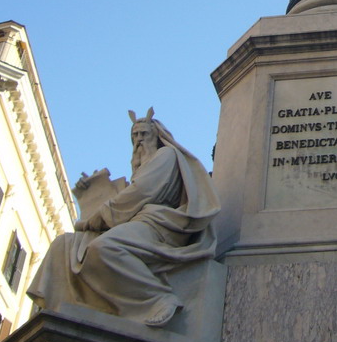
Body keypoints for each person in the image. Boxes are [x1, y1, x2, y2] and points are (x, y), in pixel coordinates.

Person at [28, 109, 219, 327]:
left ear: (157, 135)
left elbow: (141, 193)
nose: (138, 140)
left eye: (144, 134)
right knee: (63, 244)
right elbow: (128, 198)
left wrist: (96, 218)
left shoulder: (166, 155)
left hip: (160, 223)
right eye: (135, 136)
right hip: (136, 221)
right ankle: (63, 312)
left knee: (105, 248)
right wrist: (91, 190)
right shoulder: (143, 167)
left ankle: (158, 299)